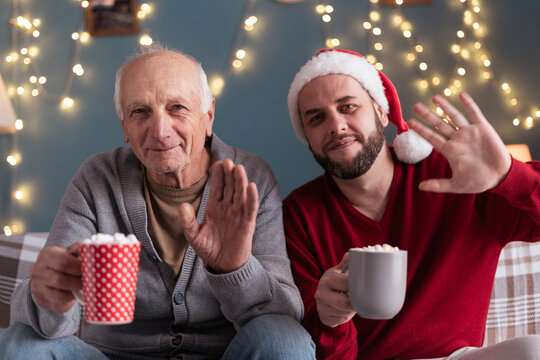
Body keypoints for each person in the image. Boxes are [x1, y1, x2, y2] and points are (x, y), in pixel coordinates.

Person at [0, 45, 315, 360]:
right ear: (124, 125)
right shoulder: (97, 179)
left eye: (177, 107)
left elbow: (284, 314)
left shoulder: (250, 178)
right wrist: (46, 296)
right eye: (139, 111)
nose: (160, 131)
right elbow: (49, 323)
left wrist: (234, 268)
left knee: (284, 338)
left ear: (208, 116)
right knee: (23, 340)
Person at [283, 49, 540, 359]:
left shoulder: (457, 176)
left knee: (531, 350)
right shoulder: (299, 215)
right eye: (317, 118)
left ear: (381, 111)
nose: (336, 126)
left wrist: (509, 175)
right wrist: (331, 320)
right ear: (306, 137)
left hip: (457, 356)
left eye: (348, 107)